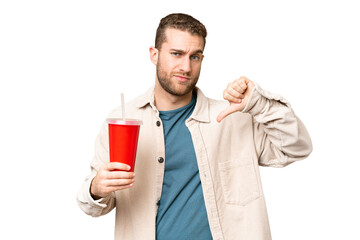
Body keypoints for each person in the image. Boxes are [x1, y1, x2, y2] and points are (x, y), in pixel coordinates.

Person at [77, 13, 312, 240]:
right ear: (154, 54)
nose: (186, 67)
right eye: (176, 54)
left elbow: (297, 147)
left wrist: (258, 103)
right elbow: (93, 207)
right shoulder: (121, 118)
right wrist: (96, 187)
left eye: (195, 56)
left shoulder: (232, 118)